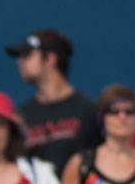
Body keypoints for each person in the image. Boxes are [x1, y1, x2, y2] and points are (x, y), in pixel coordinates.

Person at [6, 28, 100, 173]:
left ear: (50, 58)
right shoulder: (21, 116)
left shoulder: (91, 111)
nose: (20, 62)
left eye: (27, 55)